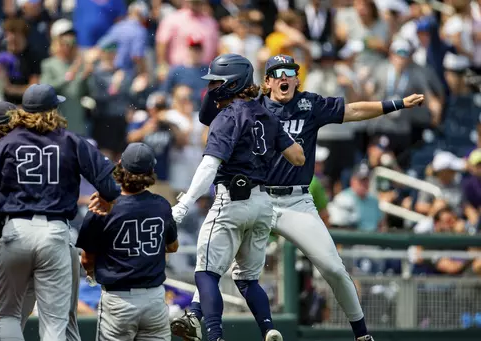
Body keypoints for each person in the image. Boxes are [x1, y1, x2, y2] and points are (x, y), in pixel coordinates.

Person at [179, 54, 425, 341]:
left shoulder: (310, 104)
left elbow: (354, 111)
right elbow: (208, 115)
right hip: (255, 198)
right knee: (216, 261)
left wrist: (396, 103)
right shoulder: (251, 104)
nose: (284, 77)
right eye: (277, 72)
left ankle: (362, 334)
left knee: (333, 266)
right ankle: (196, 314)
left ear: (297, 79)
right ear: (267, 81)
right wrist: (217, 85)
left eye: (290, 72)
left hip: (295, 201)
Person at [0, 84, 120, 341]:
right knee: (54, 324)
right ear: (54, 109)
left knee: (7, 317)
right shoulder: (70, 140)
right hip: (55, 233)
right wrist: (106, 199)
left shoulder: (6, 143)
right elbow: (110, 185)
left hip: (15, 232)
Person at [170, 53, 305, 341]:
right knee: (247, 279)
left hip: (231, 200)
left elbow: (209, 165)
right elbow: (298, 157)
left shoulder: (227, 116)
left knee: (206, 274)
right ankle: (268, 328)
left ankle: (215, 336)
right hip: (262, 203)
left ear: (232, 82)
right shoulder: (266, 114)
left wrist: (183, 204)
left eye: (218, 81)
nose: (213, 87)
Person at [0, 100, 82, 341]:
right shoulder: (48, 145)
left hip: (16, 240)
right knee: (62, 321)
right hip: (57, 238)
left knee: (10, 316)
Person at [76, 142, 179, 341]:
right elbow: (173, 247)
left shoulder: (102, 208)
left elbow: (87, 260)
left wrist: (92, 275)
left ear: (120, 166)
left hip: (118, 300)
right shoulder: (162, 206)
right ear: (150, 171)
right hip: (154, 299)